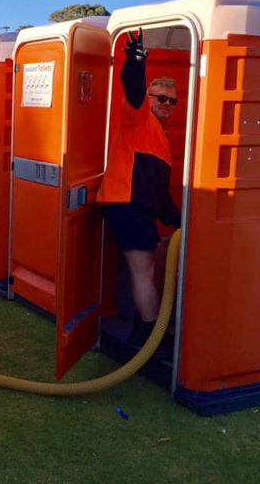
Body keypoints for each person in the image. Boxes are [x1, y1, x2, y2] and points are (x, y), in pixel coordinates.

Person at [97, 29, 181, 346]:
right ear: (149, 99)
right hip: (124, 204)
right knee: (143, 271)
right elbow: (132, 88)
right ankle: (150, 339)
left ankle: (141, 331)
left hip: (137, 207)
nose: (167, 104)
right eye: (160, 97)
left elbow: (158, 191)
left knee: (152, 262)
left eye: (172, 101)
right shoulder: (139, 116)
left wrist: (177, 218)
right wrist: (135, 63)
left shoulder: (162, 136)